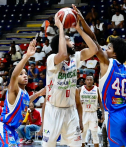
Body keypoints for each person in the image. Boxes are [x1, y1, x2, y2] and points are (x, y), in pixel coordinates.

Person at [73, 5, 126, 147]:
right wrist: (82, 20)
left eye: (109, 48)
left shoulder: (107, 62)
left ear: (114, 54)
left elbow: (93, 42)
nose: (105, 49)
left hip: (114, 115)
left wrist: (79, 28)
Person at [41, 7, 98, 147]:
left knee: (77, 145)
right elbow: (63, 55)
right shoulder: (51, 58)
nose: (72, 41)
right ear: (61, 43)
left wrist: (79, 28)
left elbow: (94, 49)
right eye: (68, 40)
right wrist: (61, 28)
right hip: (53, 110)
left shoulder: (75, 57)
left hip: (70, 109)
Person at [0, 39, 46, 146]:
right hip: (5, 128)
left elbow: (27, 100)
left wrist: (39, 93)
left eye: (25, 73)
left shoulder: (24, 93)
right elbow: (14, 75)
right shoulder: (13, 89)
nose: (25, 75)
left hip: (13, 130)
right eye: (21, 74)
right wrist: (27, 56)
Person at [79, 75, 104, 147]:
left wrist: (102, 113)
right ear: (85, 81)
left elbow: (101, 102)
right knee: (82, 134)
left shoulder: (97, 89)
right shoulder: (80, 89)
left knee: (95, 135)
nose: (89, 81)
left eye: (91, 80)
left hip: (93, 113)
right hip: (84, 113)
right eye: (88, 80)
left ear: (93, 81)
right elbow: (76, 103)